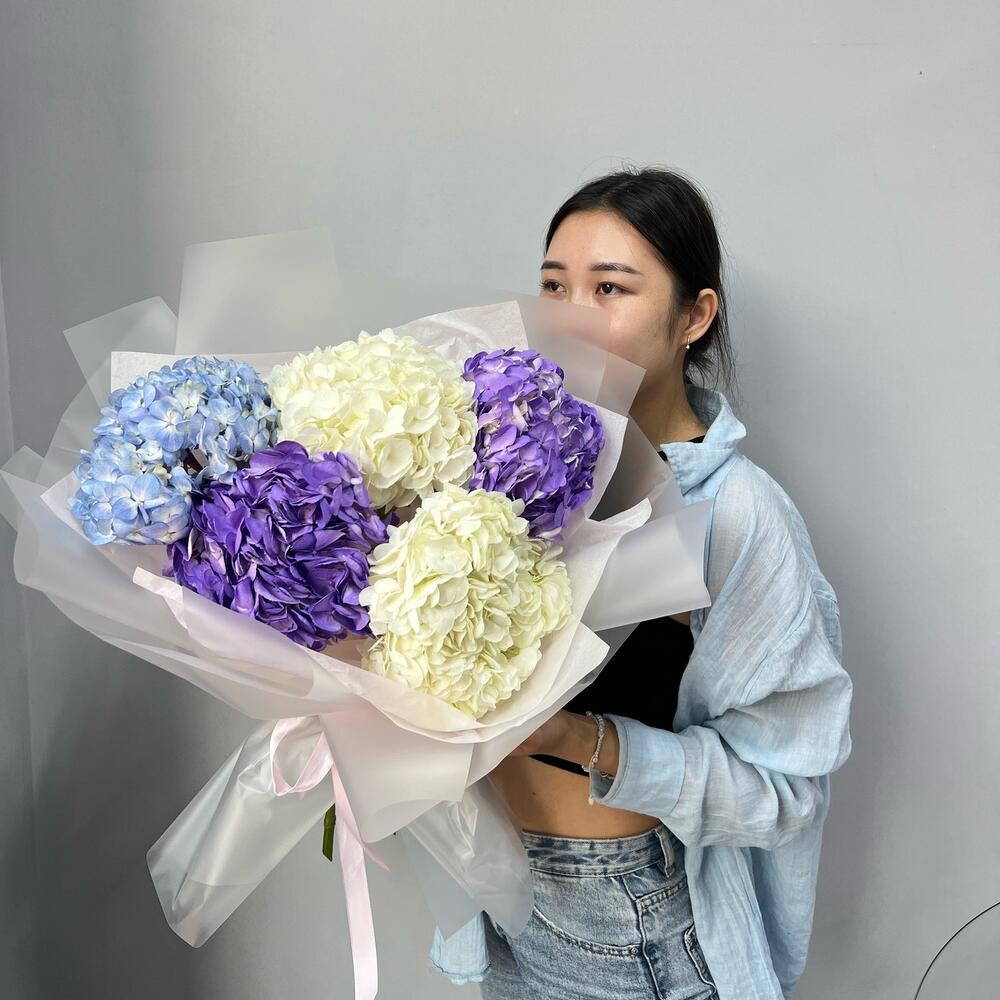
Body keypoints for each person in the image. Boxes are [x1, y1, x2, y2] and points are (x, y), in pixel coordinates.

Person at [428, 166, 853, 1000]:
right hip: (501, 895)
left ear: (695, 316)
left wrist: (575, 740)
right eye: (555, 286)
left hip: (626, 920)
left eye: (610, 289)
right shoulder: (499, 467)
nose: (571, 316)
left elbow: (783, 793)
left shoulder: (736, 513)